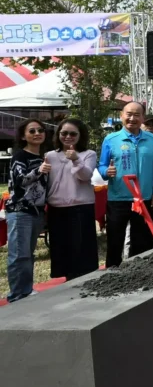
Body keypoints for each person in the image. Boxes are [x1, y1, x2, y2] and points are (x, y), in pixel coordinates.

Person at [100, 102, 153, 265]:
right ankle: (112, 275)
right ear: (121, 115)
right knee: (115, 241)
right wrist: (106, 172)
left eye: (137, 115)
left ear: (142, 117)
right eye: (128, 114)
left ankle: (138, 274)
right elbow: (101, 166)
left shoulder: (152, 139)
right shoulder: (111, 139)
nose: (132, 118)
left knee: (141, 242)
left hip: (144, 198)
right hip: (118, 199)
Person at [44, 119, 98, 281]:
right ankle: (67, 281)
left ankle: (84, 281)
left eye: (73, 133)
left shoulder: (88, 154)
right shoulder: (50, 156)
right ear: (58, 135)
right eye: (64, 133)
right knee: (62, 249)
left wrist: (76, 159)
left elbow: (86, 176)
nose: (68, 137)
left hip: (81, 207)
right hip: (57, 208)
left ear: (80, 135)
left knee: (82, 250)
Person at [5, 120, 49, 302]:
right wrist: (39, 170)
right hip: (20, 211)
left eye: (40, 130)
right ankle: (17, 295)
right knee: (19, 254)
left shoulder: (45, 156)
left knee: (28, 254)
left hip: (37, 212)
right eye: (32, 131)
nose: (37, 133)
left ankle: (27, 290)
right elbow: (20, 181)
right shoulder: (19, 156)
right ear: (23, 136)